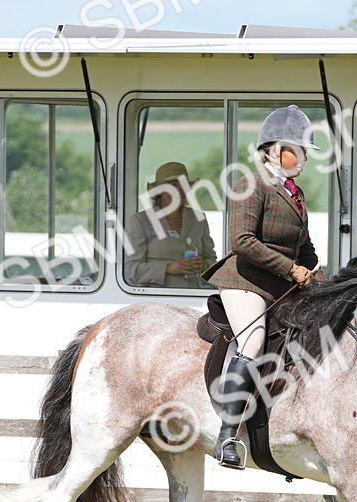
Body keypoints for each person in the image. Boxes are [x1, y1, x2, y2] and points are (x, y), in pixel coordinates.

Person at [202, 105, 320, 468]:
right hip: (245, 281)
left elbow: (306, 248)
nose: (303, 159)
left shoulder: (294, 193)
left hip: (282, 284)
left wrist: (319, 273)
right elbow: (242, 241)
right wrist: (292, 269)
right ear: (275, 149)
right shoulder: (250, 185)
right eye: (297, 151)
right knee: (252, 343)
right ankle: (228, 436)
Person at [124, 161, 217, 289]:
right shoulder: (141, 221)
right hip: (156, 301)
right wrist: (169, 268)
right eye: (173, 186)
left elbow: (211, 259)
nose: (180, 190)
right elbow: (130, 270)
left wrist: (203, 266)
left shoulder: (199, 218)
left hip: (193, 298)